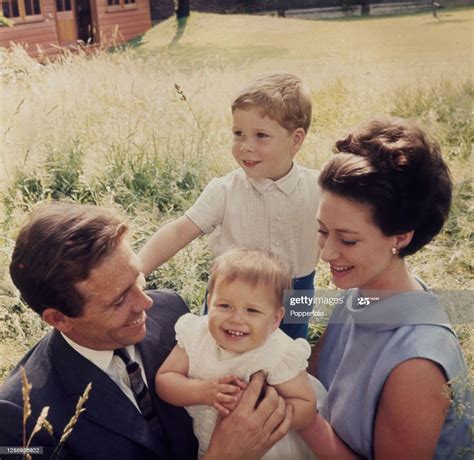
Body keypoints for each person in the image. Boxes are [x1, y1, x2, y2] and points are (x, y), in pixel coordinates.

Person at [0, 202, 293, 460]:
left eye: (138, 278)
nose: (147, 302)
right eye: (119, 300)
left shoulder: (172, 312)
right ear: (58, 318)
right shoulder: (18, 422)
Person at [299, 119, 473, 459]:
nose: (327, 253)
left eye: (347, 239)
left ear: (401, 237)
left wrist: (306, 422)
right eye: (323, 231)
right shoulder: (361, 292)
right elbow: (314, 377)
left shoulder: (416, 366)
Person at [139, 72, 321, 339]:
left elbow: (352, 236)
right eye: (238, 134)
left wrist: (372, 301)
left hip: (296, 295)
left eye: (261, 135)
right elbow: (179, 232)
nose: (246, 146)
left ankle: (396, 308)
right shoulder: (225, 190)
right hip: (231, 298)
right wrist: (138, 269)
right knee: (216, 359)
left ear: (296, 139)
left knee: (287, 361)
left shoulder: (319, 189)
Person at [156, 248, 324, 459]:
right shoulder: (196, 336)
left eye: (252, 310)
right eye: (225, 305)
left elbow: (306, 408)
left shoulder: (278, 352)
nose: (236, 319)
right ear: (209, 303)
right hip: (212, 447)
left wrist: (260, 412)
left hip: (267, 449)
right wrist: (203, 391)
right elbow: (165, 380)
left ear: (275, 319)